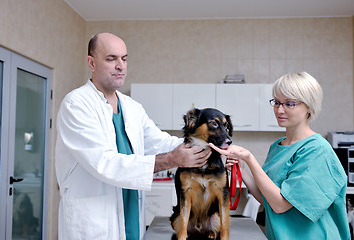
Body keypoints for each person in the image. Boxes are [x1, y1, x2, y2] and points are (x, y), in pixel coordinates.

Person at [55, 32, 211, 240]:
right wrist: (171, 160)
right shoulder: (76, 104)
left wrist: (207, 145)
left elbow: (161, 142)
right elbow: (104, 163)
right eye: (111, 59)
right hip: (94, 224)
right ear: (91, 63)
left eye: (124, 58)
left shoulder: (132, 107)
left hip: (130, 218)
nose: (121, 65)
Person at [210, 72, 350, 239]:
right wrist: (242, 169)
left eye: (289, 104)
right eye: (276, 102)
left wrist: (250, 158)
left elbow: (280, 205)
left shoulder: (317, 151)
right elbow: (267, 199)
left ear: (309, 107)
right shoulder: (277, 147)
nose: (279, 109)